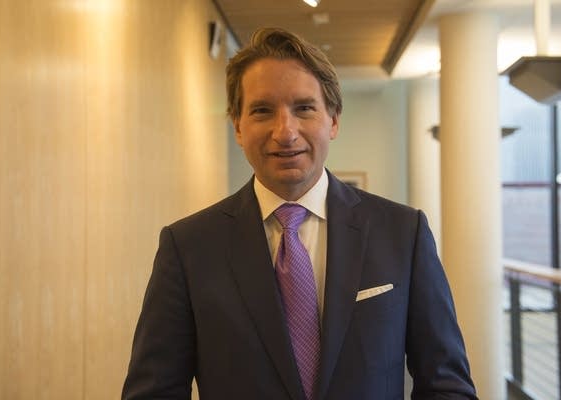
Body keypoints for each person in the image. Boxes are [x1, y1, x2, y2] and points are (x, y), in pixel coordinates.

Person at [122, 27, 477, 400]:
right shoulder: (188, 247)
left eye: (304, 108)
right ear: (238, 126)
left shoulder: (403, 234)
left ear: (334, 120)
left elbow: (446, 385)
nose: (285, 131)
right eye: (262, 110)